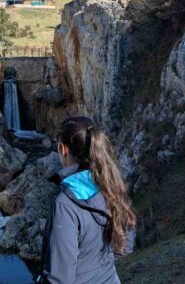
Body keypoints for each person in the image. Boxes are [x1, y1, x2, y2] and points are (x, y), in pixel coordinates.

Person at [37, 116, 136, 284]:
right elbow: (125, 247)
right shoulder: (111, 187)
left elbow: (58, 279)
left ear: (63, 149)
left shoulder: (65, 205)